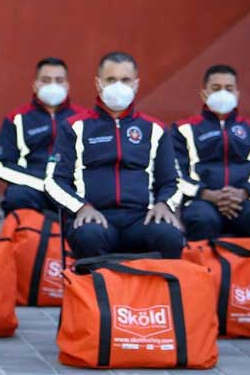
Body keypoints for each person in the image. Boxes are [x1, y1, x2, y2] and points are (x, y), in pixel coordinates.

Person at [46, 52, 184, 259]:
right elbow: (54, 181)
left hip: (141, 218)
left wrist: (165, 204)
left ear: (136, 84)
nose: (118, 86)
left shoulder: (155, 129)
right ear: (98, 83)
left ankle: (158, 292)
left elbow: (172, 181)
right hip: (93, 217)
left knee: (170, 236)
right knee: (88, 237)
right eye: (111, 80)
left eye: (125, 80)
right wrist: (82, 207)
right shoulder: (74, 127)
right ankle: (94, 291)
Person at [172, 65, 250, 241]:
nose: (223, 93)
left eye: (228, 89)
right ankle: (202, 268)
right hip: (201, 201)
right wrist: (206, 194)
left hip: (246, 200)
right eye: (216, 88)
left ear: (237, 95)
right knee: (201, 220)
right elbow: (175, 174)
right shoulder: (183, 130)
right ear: (204, 94)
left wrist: (244, 193)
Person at [0, 57, 86, 214]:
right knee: (16, 195)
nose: (53, 85)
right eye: (46, 80)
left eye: (59, 80)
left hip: (72, 186)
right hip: (34, 186)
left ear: (67, 86)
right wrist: (43, 182)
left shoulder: (83, 118)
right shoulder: (17, 118)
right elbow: (0, 165)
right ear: (35, 85)